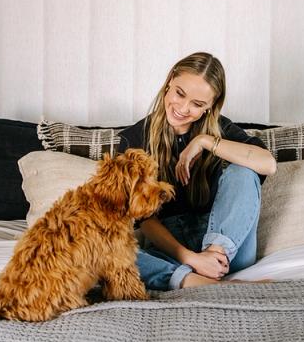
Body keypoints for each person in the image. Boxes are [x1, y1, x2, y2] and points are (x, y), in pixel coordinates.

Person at [118, 52, 277, 290]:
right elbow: (144, 220)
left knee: (244, 171)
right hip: (172, 251)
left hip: (227, 249)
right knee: (107, 251)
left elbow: (268, 164)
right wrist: (192, 259)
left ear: (210, 106)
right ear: (170, 81)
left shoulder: (220, 129)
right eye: (180, 93)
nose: (183, 108)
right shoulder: (133, 139)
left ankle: (213, 264)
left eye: (197, 104)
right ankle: (195, 279)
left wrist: (204, 141)